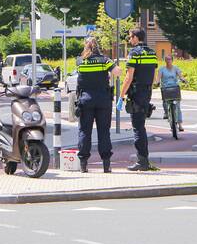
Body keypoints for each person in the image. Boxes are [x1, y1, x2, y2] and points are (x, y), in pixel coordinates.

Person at [75, 37, 116, 173]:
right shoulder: (105, 60)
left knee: (84, 131)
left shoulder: (80, 61)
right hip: (103, 100)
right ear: (97, 47)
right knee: (104, 131)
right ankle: (106, 164)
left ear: (85, 47)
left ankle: (83, 164)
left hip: (86, 100)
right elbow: (117, 71)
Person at [120, 27, 158, 171]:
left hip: (136, 93)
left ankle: (142, 161)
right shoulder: (152, 53)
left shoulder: (134, 53)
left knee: (138, 128)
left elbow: (128, 77)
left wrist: (121, 96)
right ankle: (144, 160)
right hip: (147, 92)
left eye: (130, 37)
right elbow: (154, 77)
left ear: (136, 37)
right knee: (141, 126)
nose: (129, 39)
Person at [156, 55, 186, 132]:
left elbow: (180, 76)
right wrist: (157, 82)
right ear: (165, 61)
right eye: (166, 59)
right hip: (165, 88)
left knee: (177, 106)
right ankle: (166, 113)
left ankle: (180, 124)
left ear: (172, 60)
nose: (168, 61)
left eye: (169, 59)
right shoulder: (161, 69)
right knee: (165, 103)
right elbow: (158, 78)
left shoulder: (176, 68)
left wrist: (183, 80)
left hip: (175, 88)